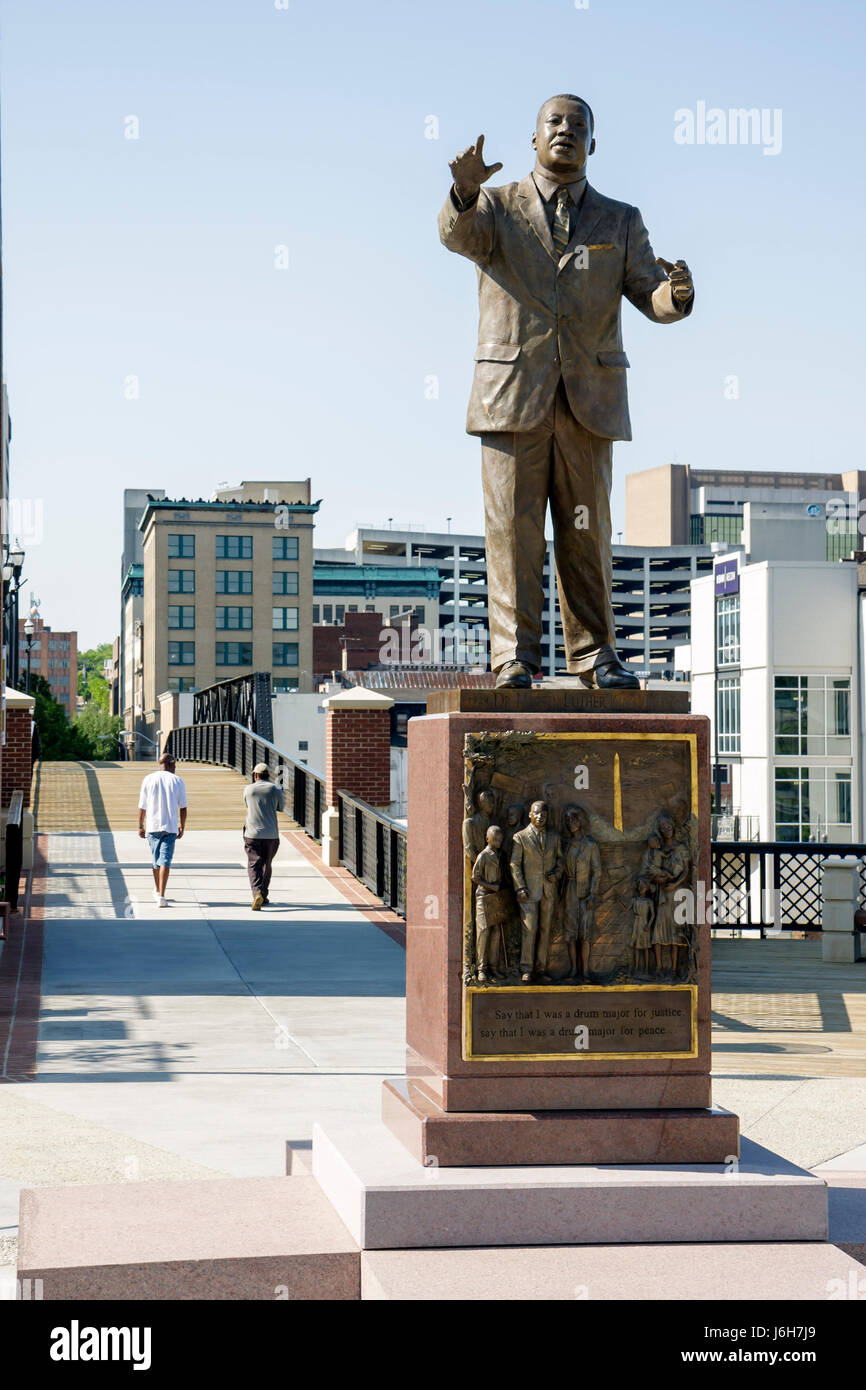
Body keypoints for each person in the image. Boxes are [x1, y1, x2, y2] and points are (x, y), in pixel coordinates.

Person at [440, 94, 693, 689]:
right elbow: (458, 236)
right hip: (511, 395)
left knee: (586, 530)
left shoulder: (620, 219)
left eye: (578, 125)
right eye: (554, 122)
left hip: (588, 399)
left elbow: (650, 292)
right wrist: (463, 194)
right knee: (512, 532)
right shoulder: (496, 208)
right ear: (533, 139)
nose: (565, 131)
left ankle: (595, 653)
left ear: (593, 145)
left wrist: (675, 297)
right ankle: (513, 658)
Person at [509, 800, 562, 982]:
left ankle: (541, 968)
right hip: (529, 891)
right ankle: (526, 968)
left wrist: (557, 872)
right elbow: (515, 864)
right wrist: (520, 887)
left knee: (545, 930)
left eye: (544, 814)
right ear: (530, 815)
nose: (540, 817)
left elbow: (560, 860)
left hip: (548, 890)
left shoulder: (554, 838)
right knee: (529, 929)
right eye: (537, 813)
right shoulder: (520, 837)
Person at [138, 752, 187, 908]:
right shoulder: (177, 780)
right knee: (165, 860)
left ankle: (159, 891)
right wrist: (183, 826)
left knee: (156, 861)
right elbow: (183, 807)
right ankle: (161, 895)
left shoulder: (148, 779)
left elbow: (142, 806)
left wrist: (140, 825)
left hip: (152, 827)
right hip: (170, 827)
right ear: (172, 764)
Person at [560, 804, 601, 980]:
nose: (571, 823)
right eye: (568, 820)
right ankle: (573, 969)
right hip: (569, 891)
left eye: (574, 819)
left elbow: (597, 871)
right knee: (570, 933)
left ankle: (585, 971)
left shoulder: (590, 845)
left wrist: (592, 893)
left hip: (585, 892)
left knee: (585, 933)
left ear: (581, 821)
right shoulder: (565, 844)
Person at [243, 762, 285, 911]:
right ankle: (264, 895)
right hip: (271, 834)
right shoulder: (276, 789)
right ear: (268, 775)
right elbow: (281, 807)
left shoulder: (249, 789)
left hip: (252, 833)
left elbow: (247, 805)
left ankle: (257, 893)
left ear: (255, 775)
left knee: (254, 864)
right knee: (267, 864)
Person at [472, 825, 508, 984]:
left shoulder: (501, 855)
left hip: (496, 897)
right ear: (488, 839)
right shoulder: (484, 856)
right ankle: (481, 969)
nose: (498, 841)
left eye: (500, 839)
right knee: (483, 933)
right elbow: (475, 877)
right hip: (484, 897)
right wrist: (490, 886)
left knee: (496, 933)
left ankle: (494, 966)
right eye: (495, 838)